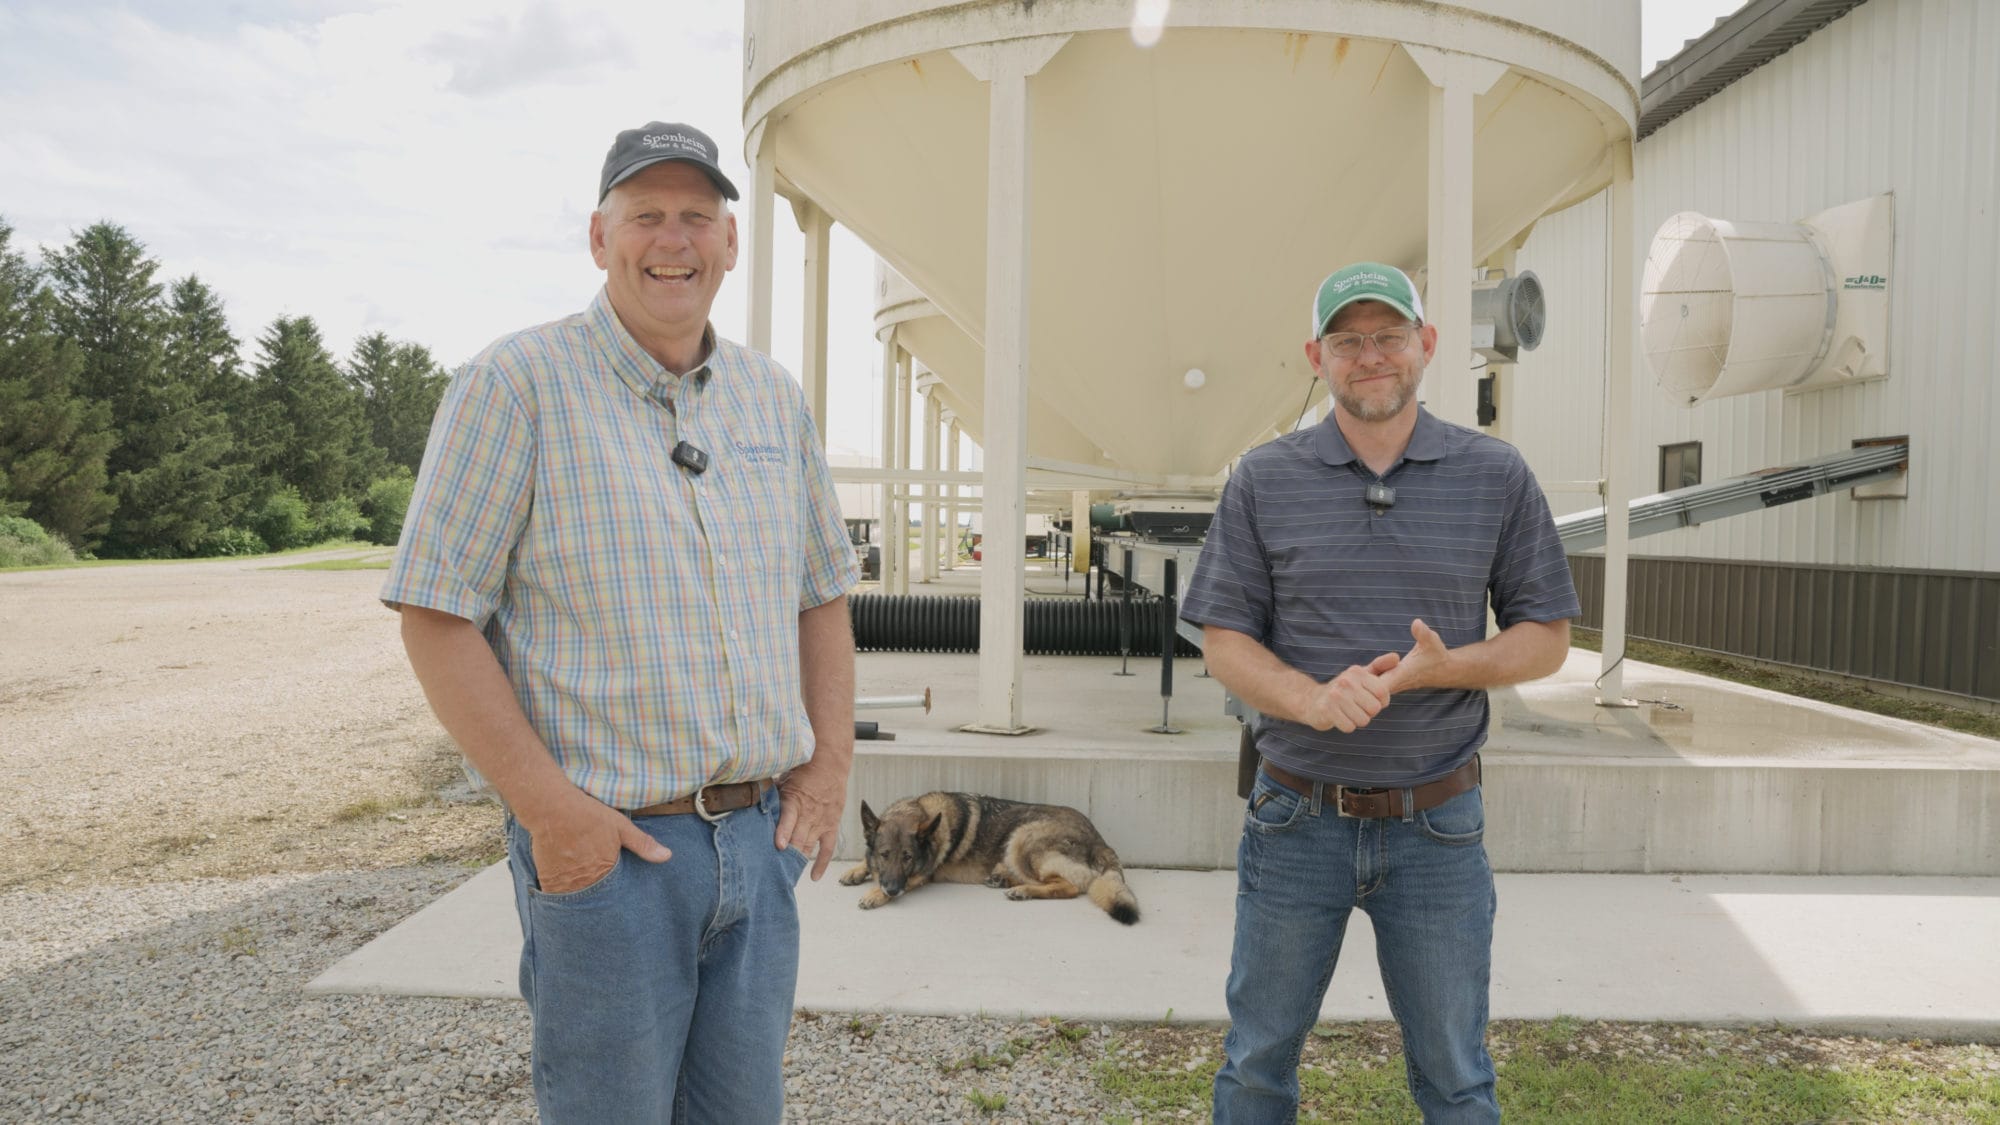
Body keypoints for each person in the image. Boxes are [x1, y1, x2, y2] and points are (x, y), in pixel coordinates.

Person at [381, 120, 857, 1123]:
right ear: (600, 239)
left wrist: (826, 771)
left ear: (729, 242)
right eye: (646, 216)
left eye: (696, 217)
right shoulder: (513, 387)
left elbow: (820, 594)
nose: (671, 241)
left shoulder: (773, 401)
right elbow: (434, 615)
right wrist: (553, 816)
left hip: (758, 844)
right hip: (612, 856)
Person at [1181, 262, 1579, 1123]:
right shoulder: (1263, 478)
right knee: (1255, 1065)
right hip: (1294, 820)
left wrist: (1445, 668)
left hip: (1438, 826)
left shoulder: (1495, 474)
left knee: (1456, 1075)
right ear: (1316, 357)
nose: (1371, 355)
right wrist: (1308, 698)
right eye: (1348, 339)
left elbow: (1546, 638)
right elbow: (1223, 639)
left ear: (1427, 346)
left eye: (1388, 335)